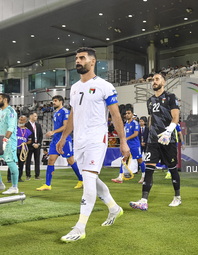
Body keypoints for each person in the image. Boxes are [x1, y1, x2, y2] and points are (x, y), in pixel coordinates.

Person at [57, 47, 129, 242]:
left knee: (88, 180)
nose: (78, 61)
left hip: (97, 139)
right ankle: (114, 208)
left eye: (82, 58)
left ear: (93, 61)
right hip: (78, 140)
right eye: (77, 58)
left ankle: (80, 228)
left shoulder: (105, 86)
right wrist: (64, 138)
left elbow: (115, 115)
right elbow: (73, 114)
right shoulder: (73, 88)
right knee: (92, 180)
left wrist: (123, 141)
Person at [129, 73, 181, 211]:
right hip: (153, 140)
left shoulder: (170, 97)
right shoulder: (150, 100)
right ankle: (143, 200)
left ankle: (177, 197)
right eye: (153, 80)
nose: (154, 82)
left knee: (172, 167)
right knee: (149, 168)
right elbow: (151, 118)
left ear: (163, 82)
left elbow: (176, 117)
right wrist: (150, 135)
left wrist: (168, 132)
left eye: (157, 79)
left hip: (168, 139)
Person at [36, 95, 83, 191]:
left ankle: (81, 179)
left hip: (64, 139)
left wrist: (53, 132)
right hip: (55, 140)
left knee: (70, 161)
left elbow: (66, 126)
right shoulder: (55, 113)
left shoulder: (65, 112)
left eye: (56, 101)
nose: (53, 102)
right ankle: (47, 184)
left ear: (61, 101)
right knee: (51, 160)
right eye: (53, 101)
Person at [0, 93, 20, 194]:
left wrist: (5, 140)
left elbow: (11, 127)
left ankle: (14, 187)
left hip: (8, 142)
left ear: (5, 100)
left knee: (11, 163)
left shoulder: (11, 111)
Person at [111, 109, 145, 184]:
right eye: (126, 113)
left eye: (129, 113)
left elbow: (136, 134)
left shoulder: (135, 123)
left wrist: (125, 139)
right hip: (127, 145)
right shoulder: (126, 124)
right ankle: (120, 177)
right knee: (123, 159)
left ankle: (144, 176)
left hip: (135, 145)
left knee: (139, 160)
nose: (127, 115)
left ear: (132, 114)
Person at [7, 115, 32, 183]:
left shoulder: (28, 131)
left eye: (22, 120)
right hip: (14, 148)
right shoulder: (15, 129)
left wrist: (25, 143)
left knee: (21, 164)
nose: (20, 121)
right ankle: (9, 178)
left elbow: (30, 140)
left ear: (25, 121)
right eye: (19, 120)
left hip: (22, 149)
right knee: (12, 163)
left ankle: (19, 177)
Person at [25, 112, 43, 180]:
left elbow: (41, 135)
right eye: (35, 116)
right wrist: (32, 143)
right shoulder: (26, 125)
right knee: (28, 161)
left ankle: (37, 175)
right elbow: (26, 136)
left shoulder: (38, 125)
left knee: (37, 161)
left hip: (37, 146)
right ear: (31, 117)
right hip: (29, 145)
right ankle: (28, 175)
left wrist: (38, 144)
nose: (36, 117)